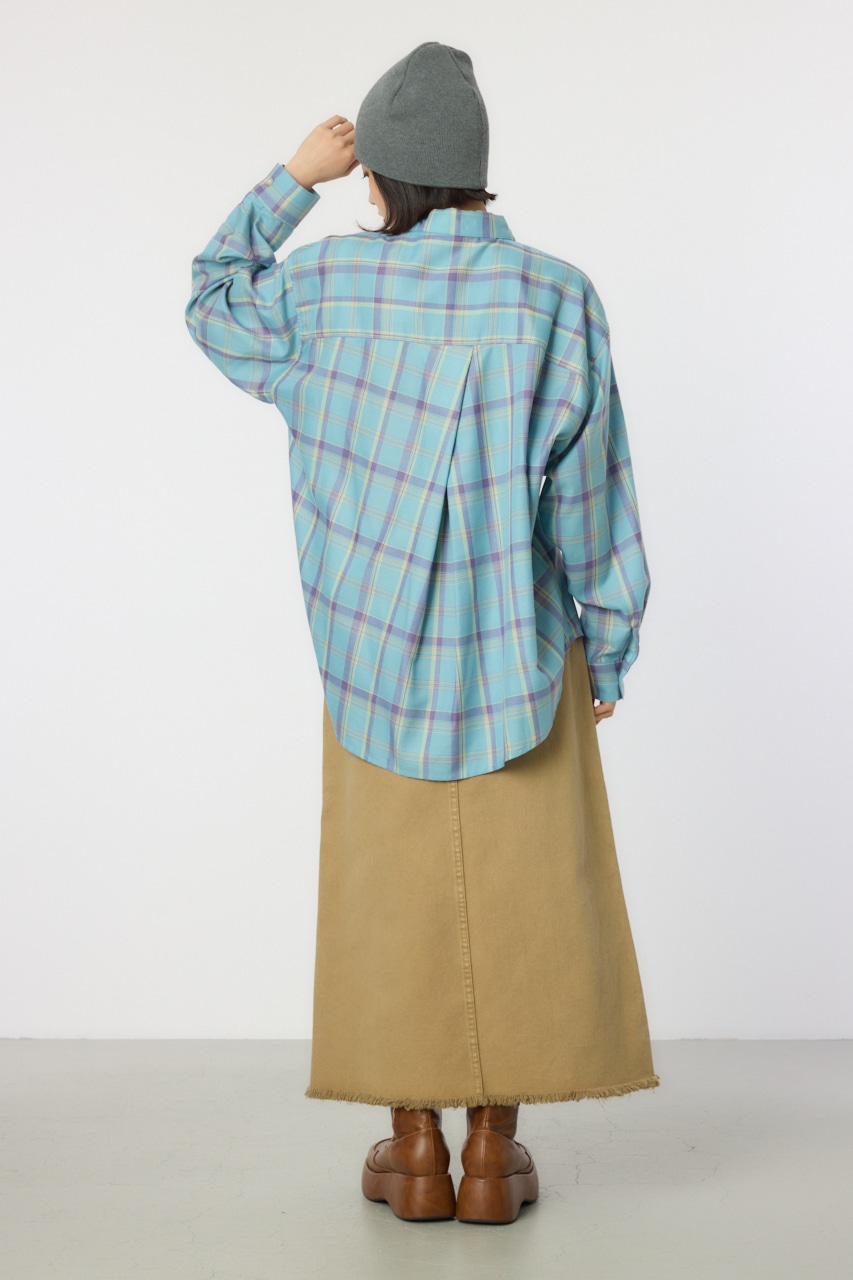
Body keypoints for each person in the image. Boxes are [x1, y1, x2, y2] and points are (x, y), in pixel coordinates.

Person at [185, 40, 659, 1226]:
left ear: (379, 176)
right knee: (525, 892)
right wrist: (607, 641)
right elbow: (592, 492)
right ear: (477, 171)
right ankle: (493, 1150)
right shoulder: (554, 296)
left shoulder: (319, 291)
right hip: (518, 651)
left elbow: (211, 297)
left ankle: (411, 1146)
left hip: (370, 659)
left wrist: (292, 180)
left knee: (390, 894)